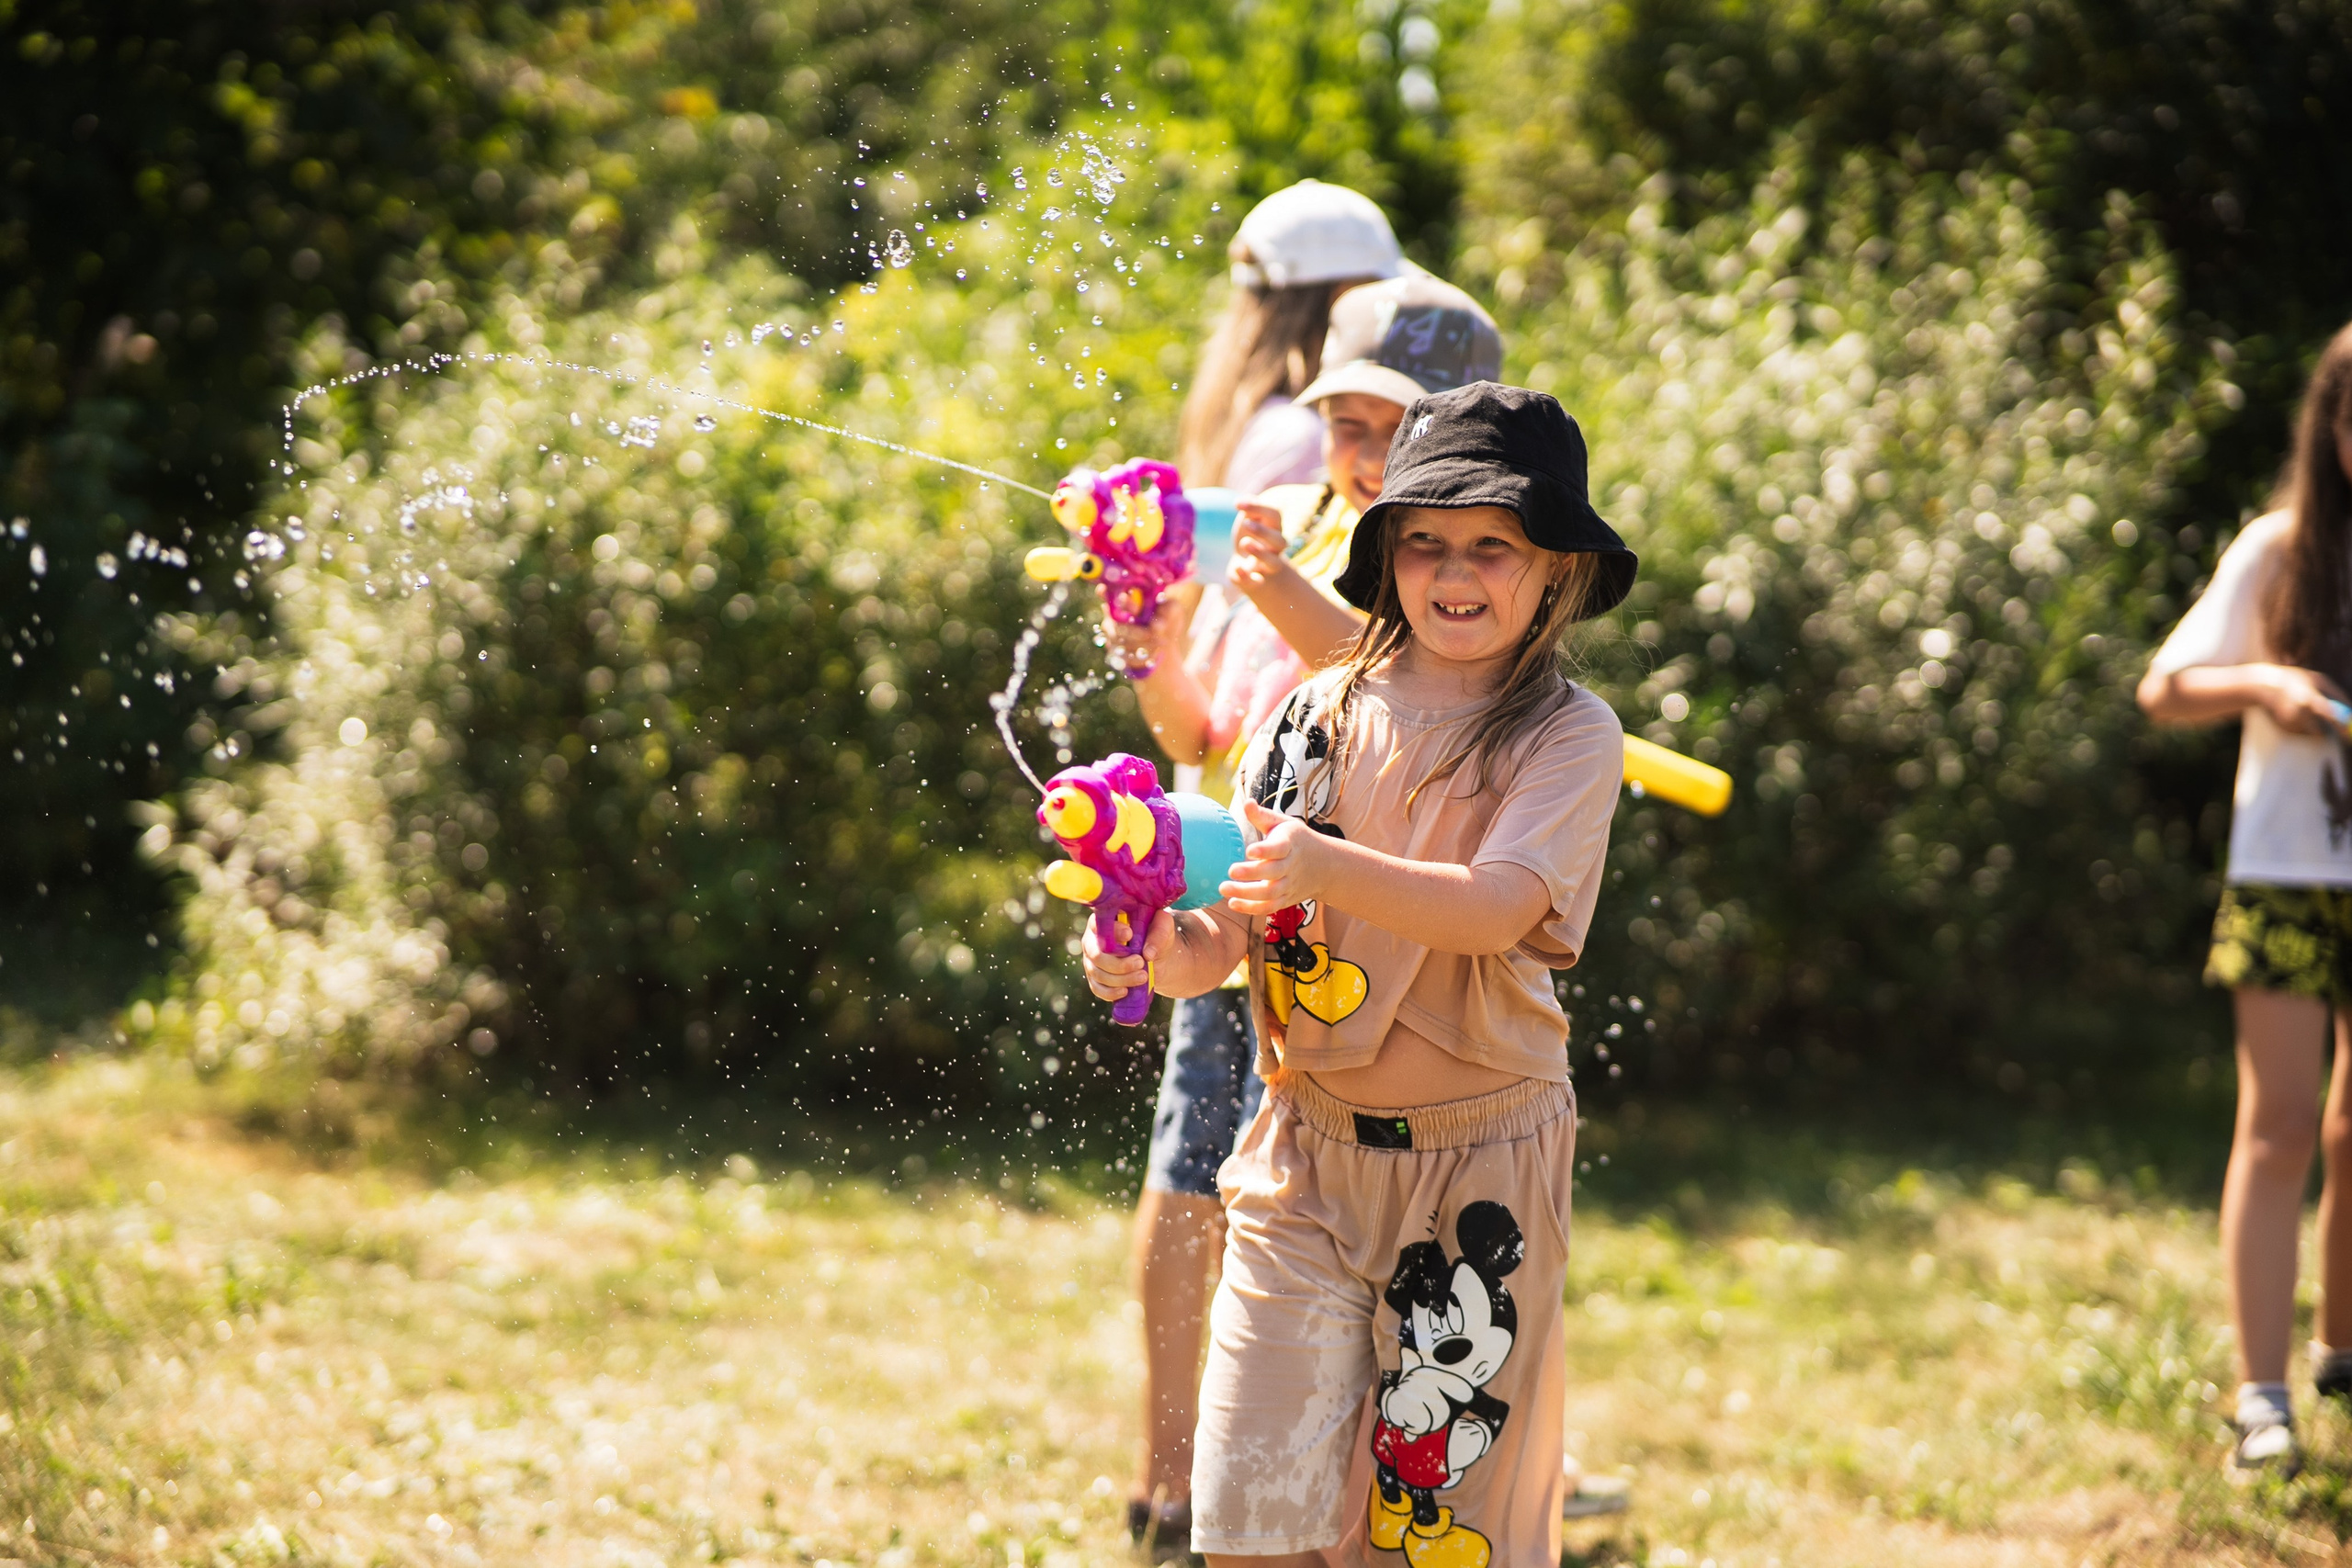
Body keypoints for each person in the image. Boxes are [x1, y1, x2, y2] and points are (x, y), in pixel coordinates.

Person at [1085, 382, 1638, 1568]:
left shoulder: (1566, 733)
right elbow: (1230, 938)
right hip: (1299, 1161)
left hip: (1477, 1176)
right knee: (1250, 1522)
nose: (1455, 568)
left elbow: (1495, 908)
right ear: (1382, 551)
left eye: (1494, 544)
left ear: (1559, 572)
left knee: (1421, 1537)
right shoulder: (1307, 716)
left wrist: (1324, 859)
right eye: (1424, 537)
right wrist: (1150, 946)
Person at [1122, 178, 1407, 1558]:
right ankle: (1315, 1473)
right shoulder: (1325, 439)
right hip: (1288, 843)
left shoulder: (1232, 433)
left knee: (1199, 1157)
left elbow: (1177, 714)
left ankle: (1172, 1477)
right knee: (1295, 1171)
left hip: (1214, 830)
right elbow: (1333, 682)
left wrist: (1138, 631)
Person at [2138, 319, 2352, 1477]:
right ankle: (2260, 1393)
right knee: (2276, 1128)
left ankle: (2341, 1355)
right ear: (2331, 430)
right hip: (2286, 875)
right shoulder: (2279, 550)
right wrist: (2266, 683)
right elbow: (2165, 685)